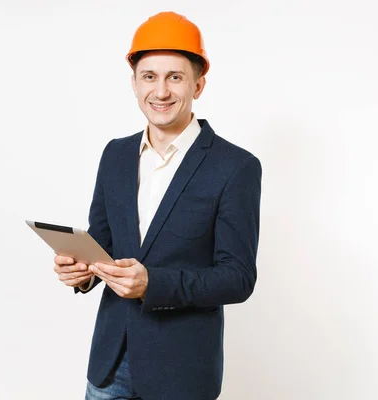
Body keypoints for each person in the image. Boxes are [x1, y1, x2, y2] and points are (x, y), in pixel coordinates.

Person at [53, 11, 262, 400]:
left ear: (198, 84)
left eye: (175, 77)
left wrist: (154, 283)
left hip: (180, 374)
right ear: (134, 83)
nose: (161, 91)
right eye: (149, 76)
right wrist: (83, 270)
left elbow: (238, 277)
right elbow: (105, 243)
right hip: (108, 366)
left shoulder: (236, 167)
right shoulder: (115, 155)